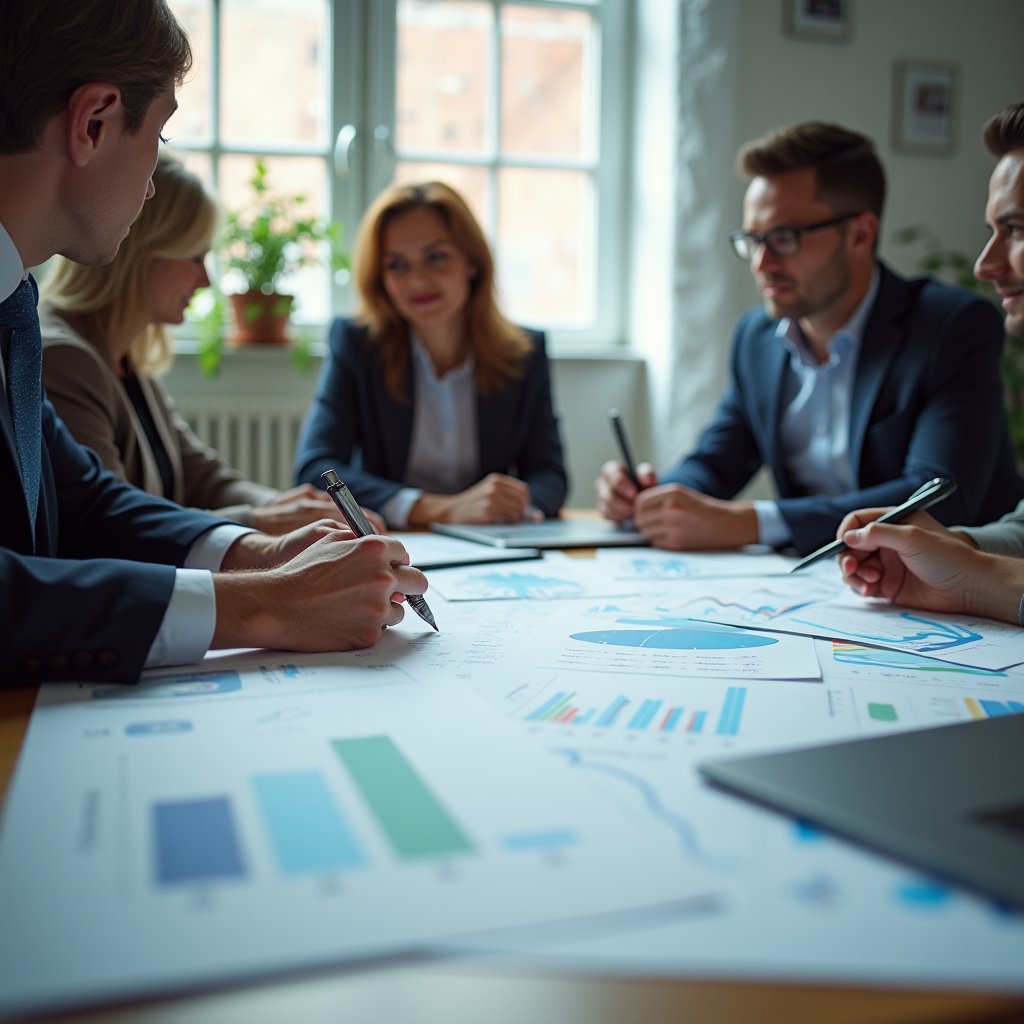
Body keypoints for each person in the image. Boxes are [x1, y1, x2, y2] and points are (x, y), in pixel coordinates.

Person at [0, 0, 426, 687]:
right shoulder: (41, 325)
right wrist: (262, 607)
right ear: (95, 122)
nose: (150, 184)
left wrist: (261, 552)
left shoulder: (11, 302)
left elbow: (86, 502)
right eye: (161, 135)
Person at [596, 122, 1024, 557]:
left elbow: (938, 497)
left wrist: (752, 522)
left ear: (860, 234)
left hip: (959, 589)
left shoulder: (951, 326)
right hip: (817, 592)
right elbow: (715, 462)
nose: (762, 263)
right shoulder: (756, 338)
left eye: (783, 238)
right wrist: (653, 496)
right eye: (753, 239)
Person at [38, 154, 353, 535]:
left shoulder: (125, 354)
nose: (205, 281)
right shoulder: (64, 359)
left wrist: (286, 506)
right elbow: (111, 523)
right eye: (196, 257)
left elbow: (202, 476)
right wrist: (260, 521)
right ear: (139, 252)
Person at [839, 102, 1024, 627]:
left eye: (1016, 229)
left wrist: (980, 579)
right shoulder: (755, 338)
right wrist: (953, 551)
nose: (985, 265)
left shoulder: (951, 324)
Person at [293, 181, 568, 528]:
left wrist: (518, 504)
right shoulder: (356, 344)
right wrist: (437, 510)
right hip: (392, 543)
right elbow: (314, 469)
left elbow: (550, 475)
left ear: (472, 262)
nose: (417, 280)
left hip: (489, 541)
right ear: (380, 277)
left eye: (436, 257)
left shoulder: (524, 352)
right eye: (397, 264)